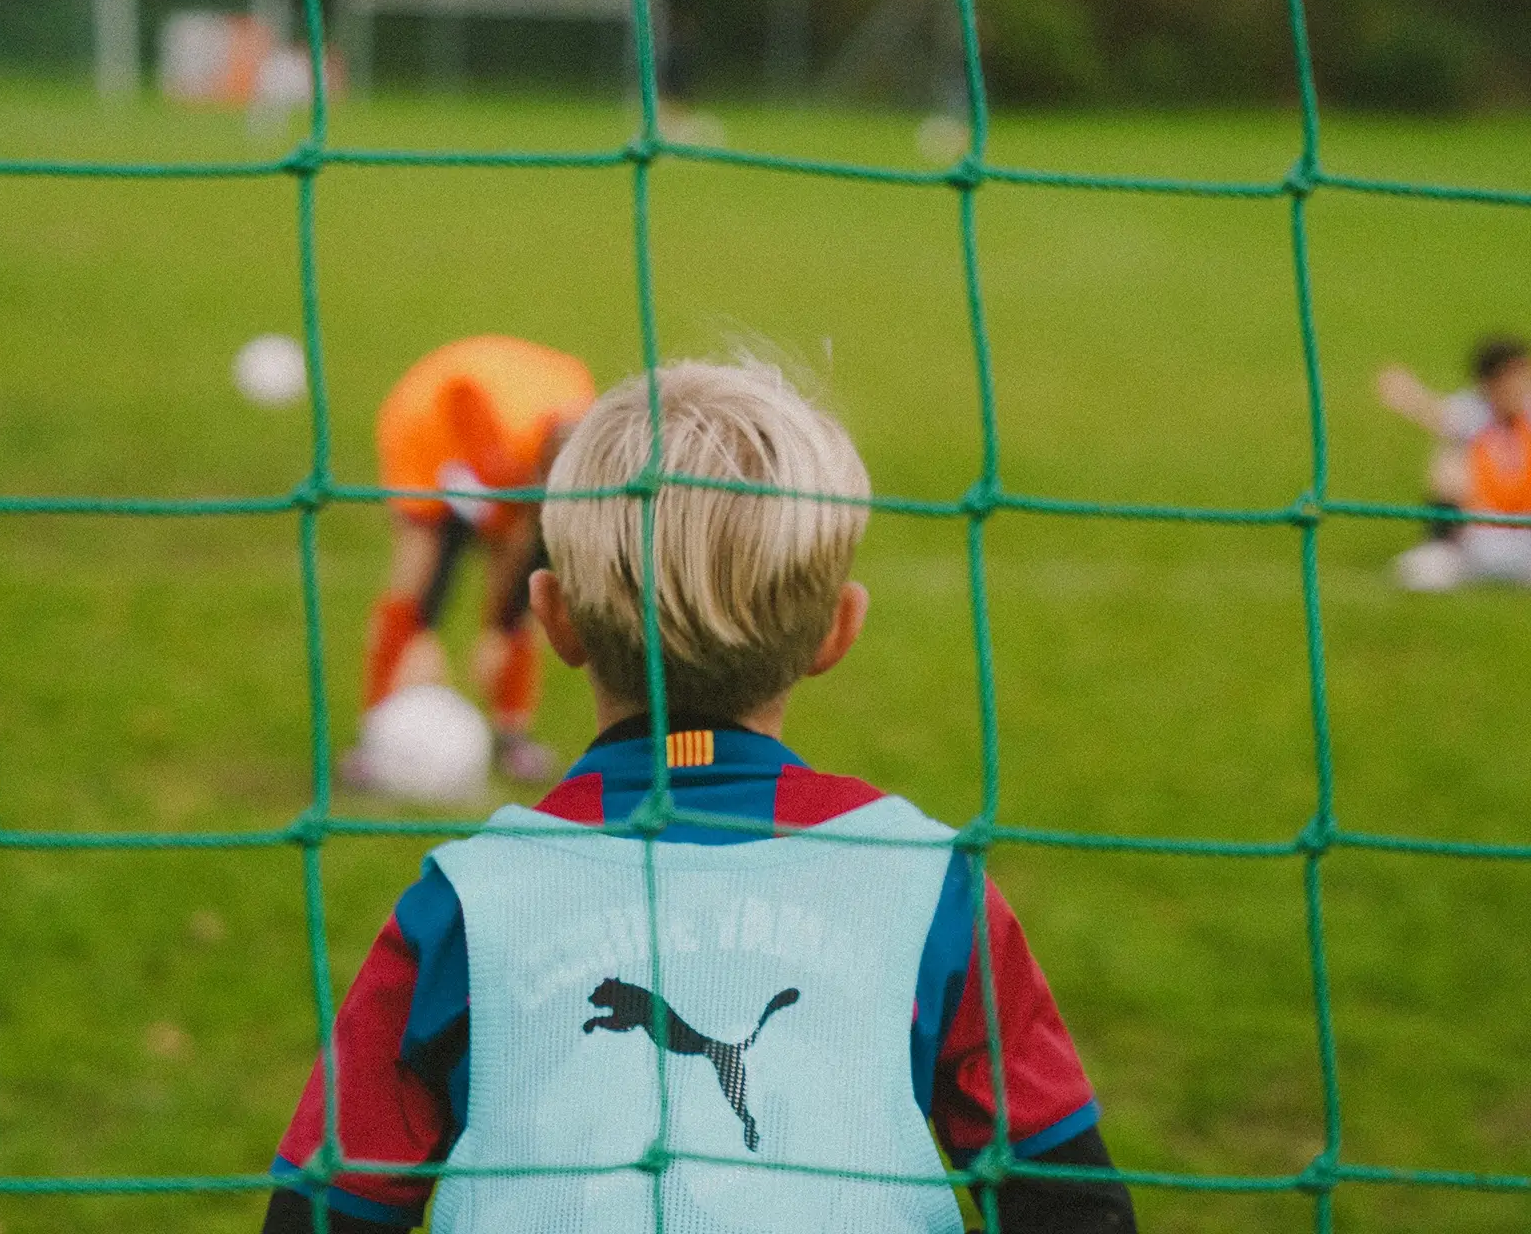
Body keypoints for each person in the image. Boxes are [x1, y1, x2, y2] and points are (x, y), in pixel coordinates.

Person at [270, 357, 1137, 1233]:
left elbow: (323, 1207)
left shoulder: (465, 903)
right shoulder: (927, 883)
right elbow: (1070, 1203)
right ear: (838, 629)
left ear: (554, 616)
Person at [344, 335, 597, 788]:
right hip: (432, 430)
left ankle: (511, 731)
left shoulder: (584, 428)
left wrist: (504, 626)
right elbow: (452, 527)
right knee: (416, 569)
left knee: (520, 579)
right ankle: (376, 735)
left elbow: (538, 538)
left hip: (509, 424)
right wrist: (426, 626)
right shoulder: (489, 438)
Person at [1383, 336, 1531, 590]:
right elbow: (1440, 416)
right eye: (1514, 377)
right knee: (1450, 458)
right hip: (1483, 538)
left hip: (1524, 531)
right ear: (1491, 383)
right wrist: (1408, 394)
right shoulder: (1474, 413)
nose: (1521, 386)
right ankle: (1440, 546)